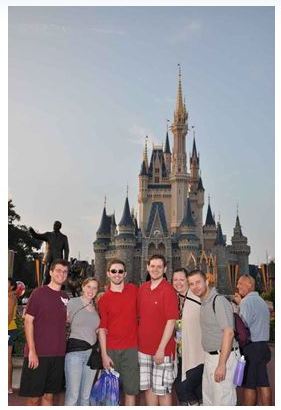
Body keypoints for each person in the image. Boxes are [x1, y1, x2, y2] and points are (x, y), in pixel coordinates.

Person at [19, 259, 69, 406]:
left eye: (65, 271)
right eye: (58, 270)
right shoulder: (38, 293)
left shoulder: (65, 297)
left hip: (58, 354)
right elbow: (28, 321)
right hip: (38, 354)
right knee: (34, 398)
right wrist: (32, 352)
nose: (62, 274)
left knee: (49, 397)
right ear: (51, 272)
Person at [187, 269, 240, 406]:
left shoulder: (218, 301)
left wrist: (222, 364)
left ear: (206, 281)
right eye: (191, 284)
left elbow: (229, 333)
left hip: (223, 357)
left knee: (223, 401)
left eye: (198, 282)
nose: (195, 287)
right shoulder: (205, 303)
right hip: (211, 358)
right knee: (209, 400)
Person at [138, 254, 178, 406]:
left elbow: (171, 321)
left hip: (162, 350)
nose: (155, 270)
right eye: (152, 266)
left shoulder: (168, 290)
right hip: (143, 349)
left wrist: (161, 348)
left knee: (163, 390)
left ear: (165, 269)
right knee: (148, 388)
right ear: (147, 267)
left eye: (159, 267)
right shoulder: (142, 289)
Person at [98, 259, 139, 406]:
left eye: (120, 271)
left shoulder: (134, 291)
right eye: (113, 271)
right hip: (111, 351)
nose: (117, 274)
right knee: (111, 393)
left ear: (125, 274)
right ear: (108, 274)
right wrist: (104, 354)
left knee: (130, 392)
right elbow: (102, 329)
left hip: (131, 349)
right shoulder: (103, 300)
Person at [236, 274, 272, 406]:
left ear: (250, 285)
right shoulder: (261, 302)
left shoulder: (246, 302)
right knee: (263, 381)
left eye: (240, 283)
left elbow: (242, 328)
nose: (237, 286)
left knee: (249, 384)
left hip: (251, 348)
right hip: (264, 347)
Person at [64, 277, 100, 406]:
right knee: (73, 395)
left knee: (85, 396)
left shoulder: (97, 307)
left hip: (92, 354)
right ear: (83, 287)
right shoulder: (73, 302)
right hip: (75, 353)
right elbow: (61, 321)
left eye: (94, 287)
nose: (91, 290)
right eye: (89, 286)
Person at [172, 268, 204, 406]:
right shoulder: (175, 299)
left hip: (199, 354)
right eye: (175, 280)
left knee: (182, 388)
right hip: (181, 354)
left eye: (182, 279)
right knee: (197, 390)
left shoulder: (198, 299)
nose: (178, 283)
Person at [8, 277, 18, 394]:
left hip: (8, 330)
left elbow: (8, 317)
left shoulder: (10, 297)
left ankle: (8, 387)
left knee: (7, 358)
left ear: (12, 286)